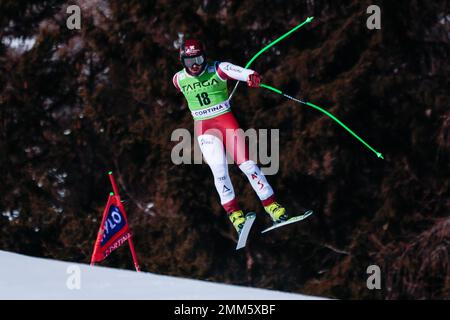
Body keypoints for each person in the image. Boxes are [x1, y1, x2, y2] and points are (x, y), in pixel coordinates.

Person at [172, 39, 288, 234]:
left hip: (226, 123)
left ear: (205, 57)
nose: (195, 66)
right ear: (182, 61)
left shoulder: (219, 68)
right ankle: (235, 215)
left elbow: (244, 73)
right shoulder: (178, 79)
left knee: (248, 165)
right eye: (189, 61)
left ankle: (272, 206)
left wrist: (252, 77)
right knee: (219, 169)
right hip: (204, 128)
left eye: (199, 59)